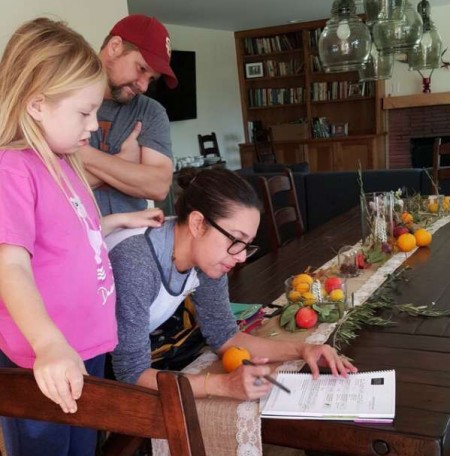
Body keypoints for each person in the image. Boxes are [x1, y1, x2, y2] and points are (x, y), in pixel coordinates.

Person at [0, 18, 164, 456]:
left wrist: (118, 222)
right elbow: (11, 265)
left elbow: (71, 235)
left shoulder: (64, 160)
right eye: (84, 112)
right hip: (44, 358)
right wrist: (49, 343)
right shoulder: (13, 169)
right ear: (36, 104)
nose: (93, 125)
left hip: (85, 347)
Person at [106, 168, 357, 401]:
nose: (241, 257)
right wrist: (222, 385)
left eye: (246, 245)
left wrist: (304, 350)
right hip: (84, 365)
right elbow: (131, 373)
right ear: (197, 224)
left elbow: (224, 336)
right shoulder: (137, 261)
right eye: (236, 240)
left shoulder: (206, 257)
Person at [79, 14, 178, 215]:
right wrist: (124, 160)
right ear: (115, 46)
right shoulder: (62, 96)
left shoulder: (151, 112)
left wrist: (81, 155)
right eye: (141, 69)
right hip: (69, 235)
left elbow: (158, 186)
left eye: (151, 79)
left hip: (130, 234)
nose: (143, 86)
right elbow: (47, 187)